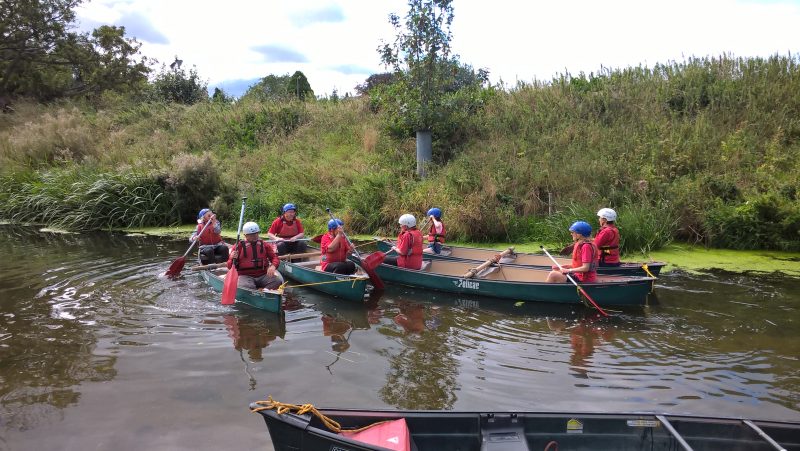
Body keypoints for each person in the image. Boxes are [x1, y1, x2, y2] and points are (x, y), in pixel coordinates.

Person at [227, 221, 284, 290]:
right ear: (245, 235)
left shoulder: (264, 245)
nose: (255, 236)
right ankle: (255, 292)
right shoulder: (238, 247)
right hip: (245, 276)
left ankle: (265, 291)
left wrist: (273, 266)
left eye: (256, 233)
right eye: (252, 235)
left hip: (263, 275)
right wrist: (231, 258)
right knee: (247, 287)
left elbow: (275, 258)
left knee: (277, 281)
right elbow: (229, 266)